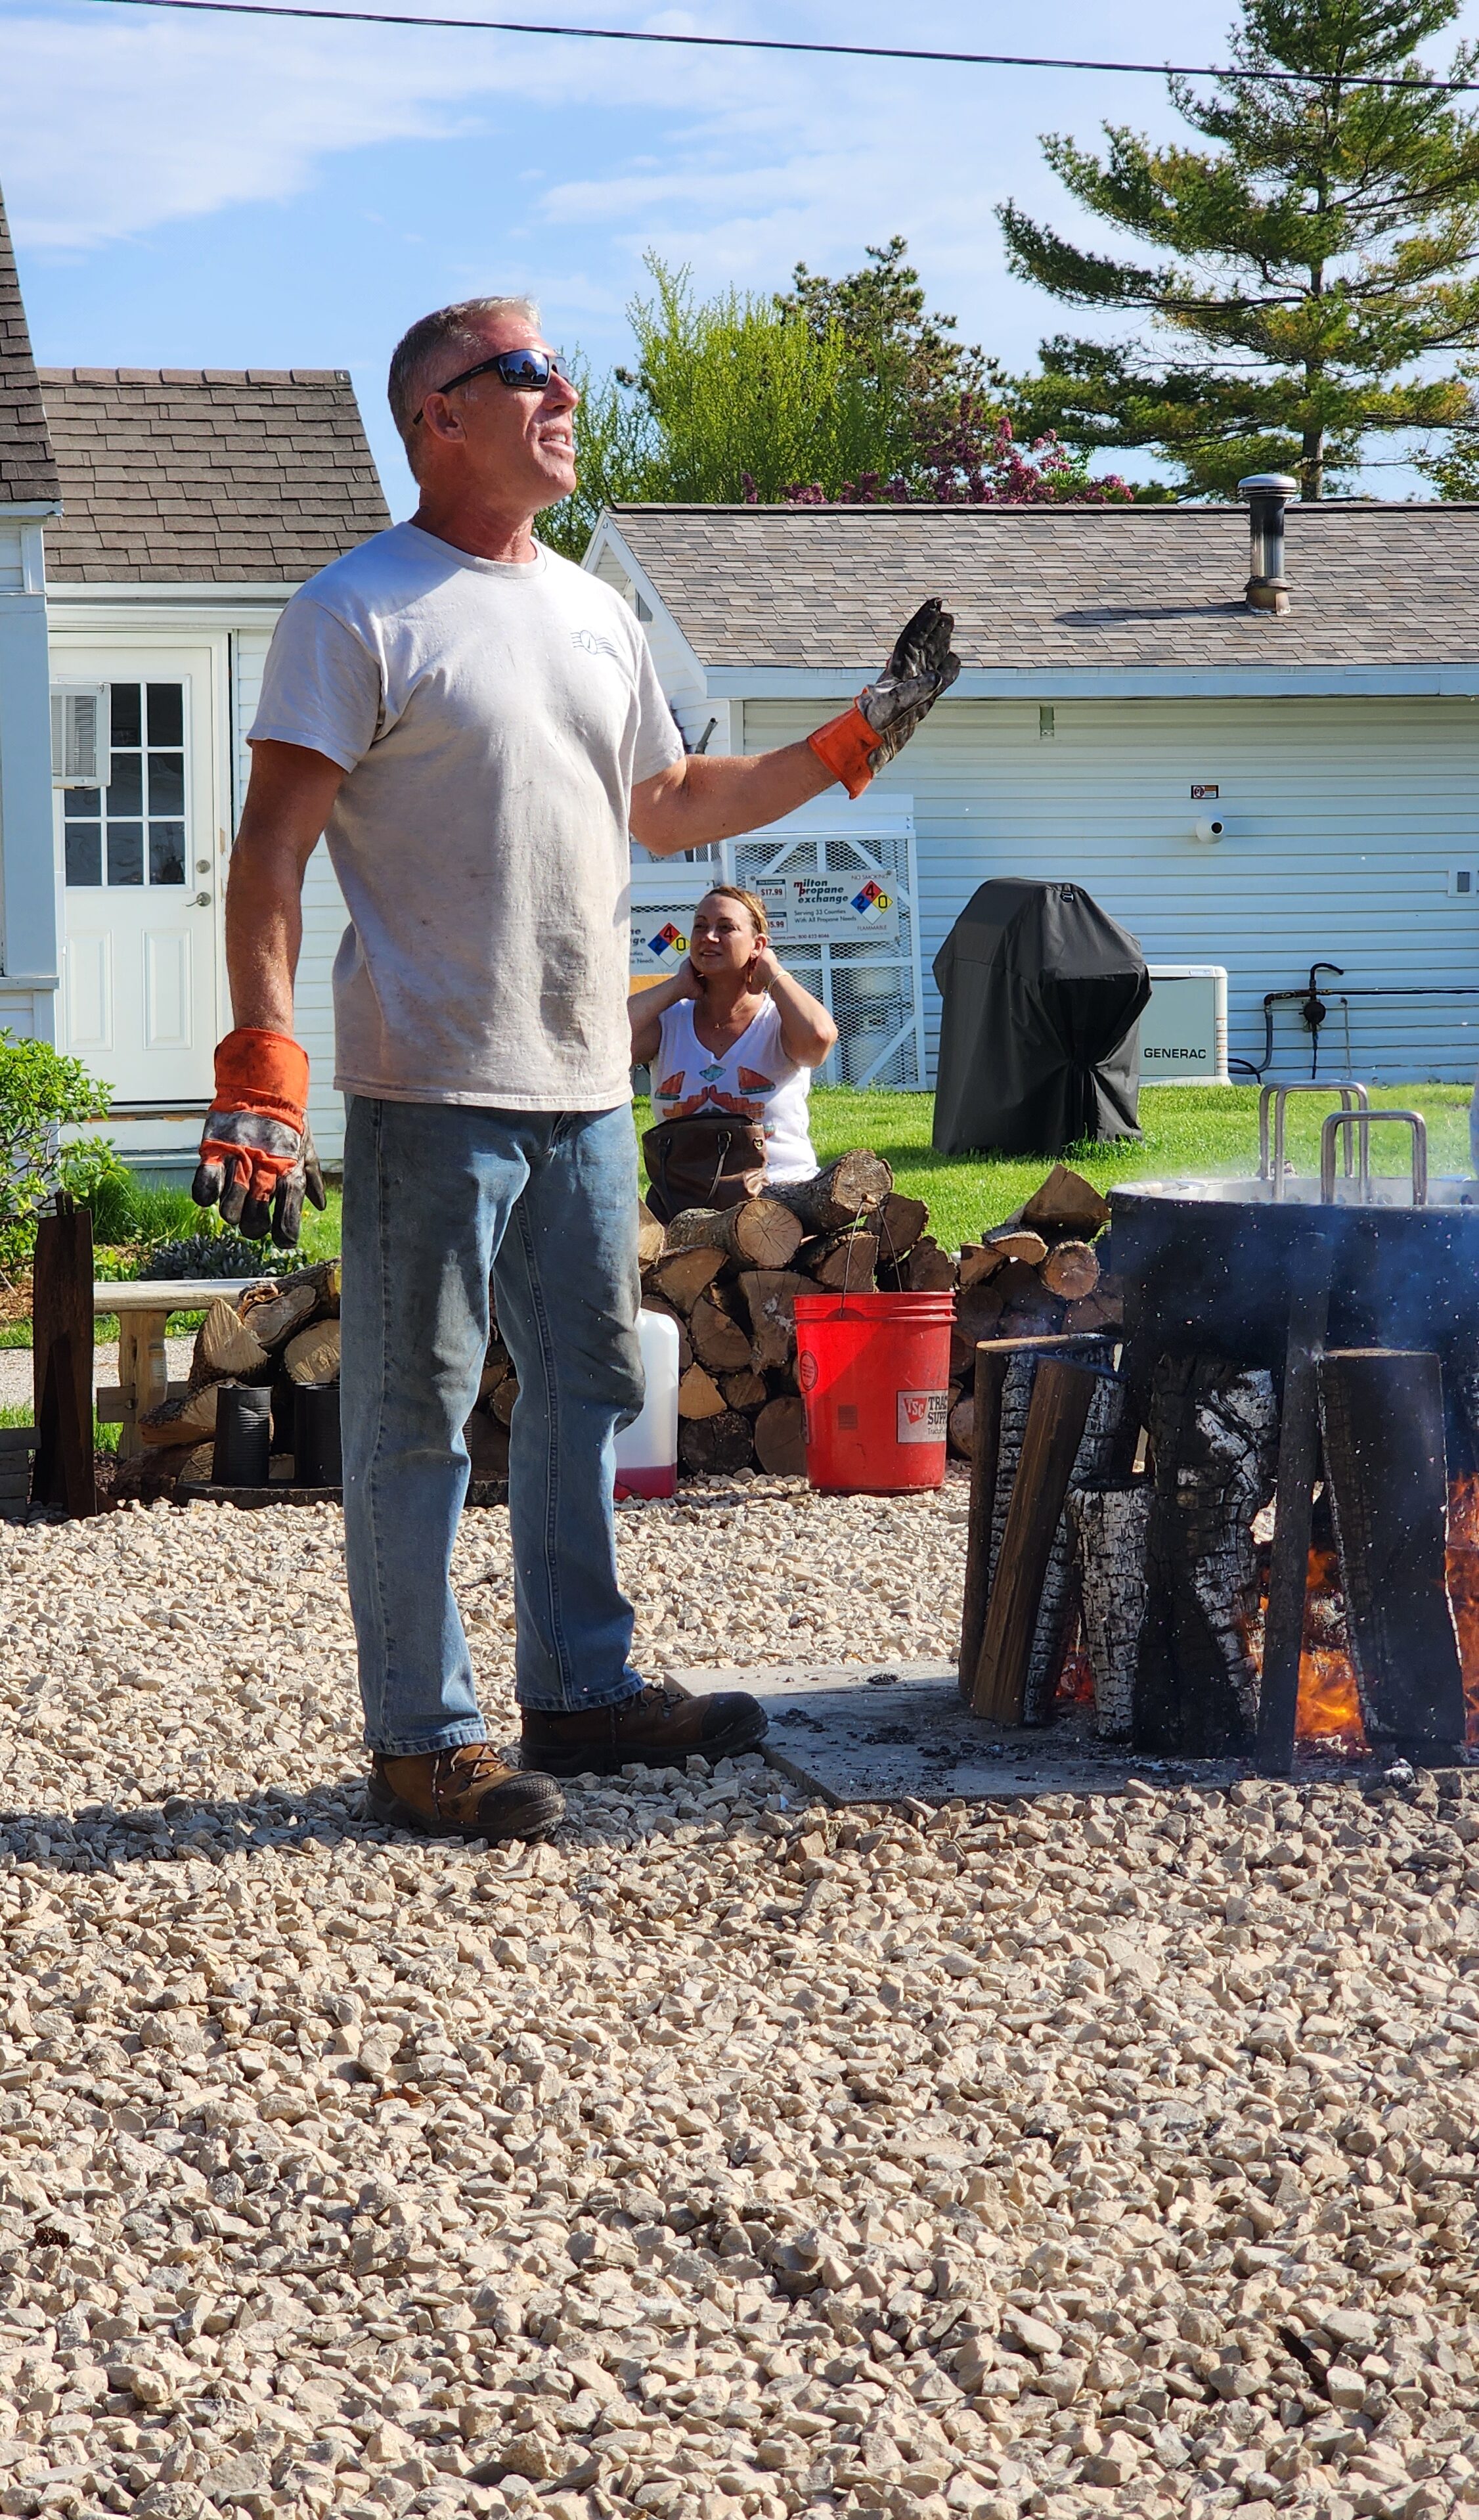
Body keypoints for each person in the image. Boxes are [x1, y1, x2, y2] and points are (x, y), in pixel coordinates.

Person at [191, 294, 959, 1845]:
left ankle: (582, 1687)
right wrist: (261, 1051)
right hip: (430, 1087)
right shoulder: (358, 608)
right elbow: (270, 849)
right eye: (527, 372)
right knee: (411, 1410)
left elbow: (673, 801)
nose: (560, 392)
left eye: (558, 370)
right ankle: (420, 1734)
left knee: (591, 1383)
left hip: (586, 1088)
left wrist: (857, 737)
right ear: (438, 416)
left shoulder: (595, 612)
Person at [630, 885, 834, 1198]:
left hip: (781, 1197)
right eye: (700, 926)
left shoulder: (777, 1020)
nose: (708, 937)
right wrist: (677, 986)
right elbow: (601, 1043)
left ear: (758, 945)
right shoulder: (670, 1022)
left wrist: (773, 971)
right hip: (684, 1201)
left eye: (726, 928)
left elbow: (818, 1040)